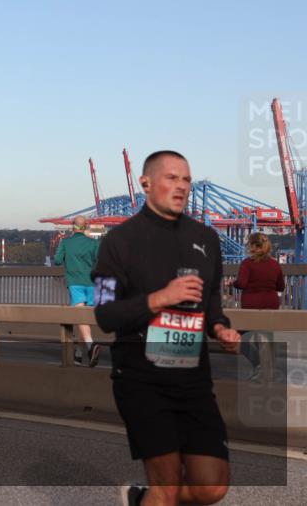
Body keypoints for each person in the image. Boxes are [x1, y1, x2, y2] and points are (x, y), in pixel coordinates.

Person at [92, 151, 241, 506]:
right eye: (171, 178)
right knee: (168, 490)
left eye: (186, 180)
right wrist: (159, 298)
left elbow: (213, 309)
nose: (182, 187)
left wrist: (222, 329)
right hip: (142, 379)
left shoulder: (206, 238)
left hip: (193, 380)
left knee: (212, 487)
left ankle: (140, 499)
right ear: (145, 183)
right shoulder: (118, 242)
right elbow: (104, 313)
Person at [234, 233, 285, 381]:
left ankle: (258, 366)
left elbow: (242, 284)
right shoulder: (275, 264)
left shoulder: (247, 263)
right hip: (271, 305)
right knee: (267, 339)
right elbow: (280, 287)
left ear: (253, 246)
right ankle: (268, 371)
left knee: (239, 338)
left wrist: (233, 283)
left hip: (251, 306)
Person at [55, 215, 102, 367]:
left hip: (75, 283)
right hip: (92, 284)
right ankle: (79, 354)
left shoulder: (66, 242)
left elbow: (56, 261)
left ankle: (90, 346)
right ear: (86, 226)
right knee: (84, 320)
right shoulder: (94, 243)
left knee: (80, 318)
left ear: (72, 226)